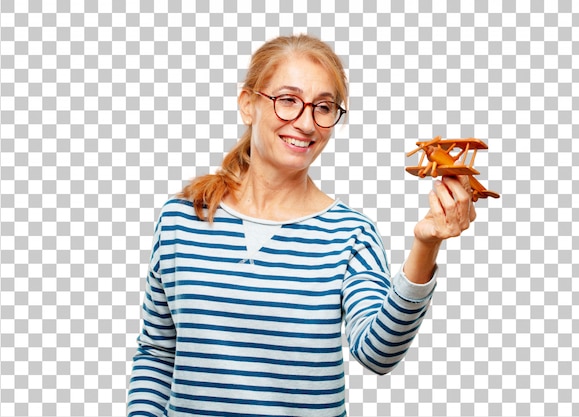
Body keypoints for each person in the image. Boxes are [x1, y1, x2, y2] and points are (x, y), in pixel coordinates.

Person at [126, 34, 476, 417]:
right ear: (248, 104)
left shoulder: (349, 234)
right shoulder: (182, 219)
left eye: (324, 107)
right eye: (288, 100)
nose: (306, 123)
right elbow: (158, 351)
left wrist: (425, 245)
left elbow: (378, 353)